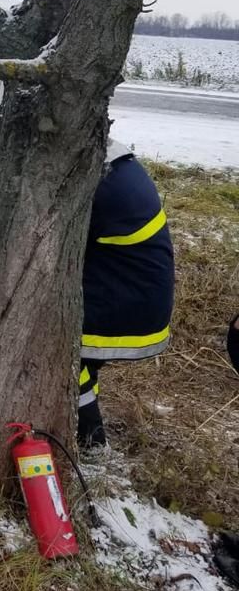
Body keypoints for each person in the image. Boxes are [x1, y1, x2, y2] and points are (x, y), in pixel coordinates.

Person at [78, 140, 175, 448]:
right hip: (135, 297)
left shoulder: (98, 181)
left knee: (56, 357)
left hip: (125, 306)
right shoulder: (116, 168)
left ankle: (90, 441)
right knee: (80, 368)